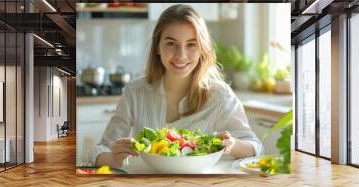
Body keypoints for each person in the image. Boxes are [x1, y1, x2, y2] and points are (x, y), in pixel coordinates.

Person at [89, 4, 263, 168]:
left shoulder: (220, 94)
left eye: (191, 45)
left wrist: (232, 145)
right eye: (171, 43)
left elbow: (256, 147)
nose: (181, 55)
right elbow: (100, 149)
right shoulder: (134, 92)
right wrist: (112, 158)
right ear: (158, 47)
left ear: (202, 49)